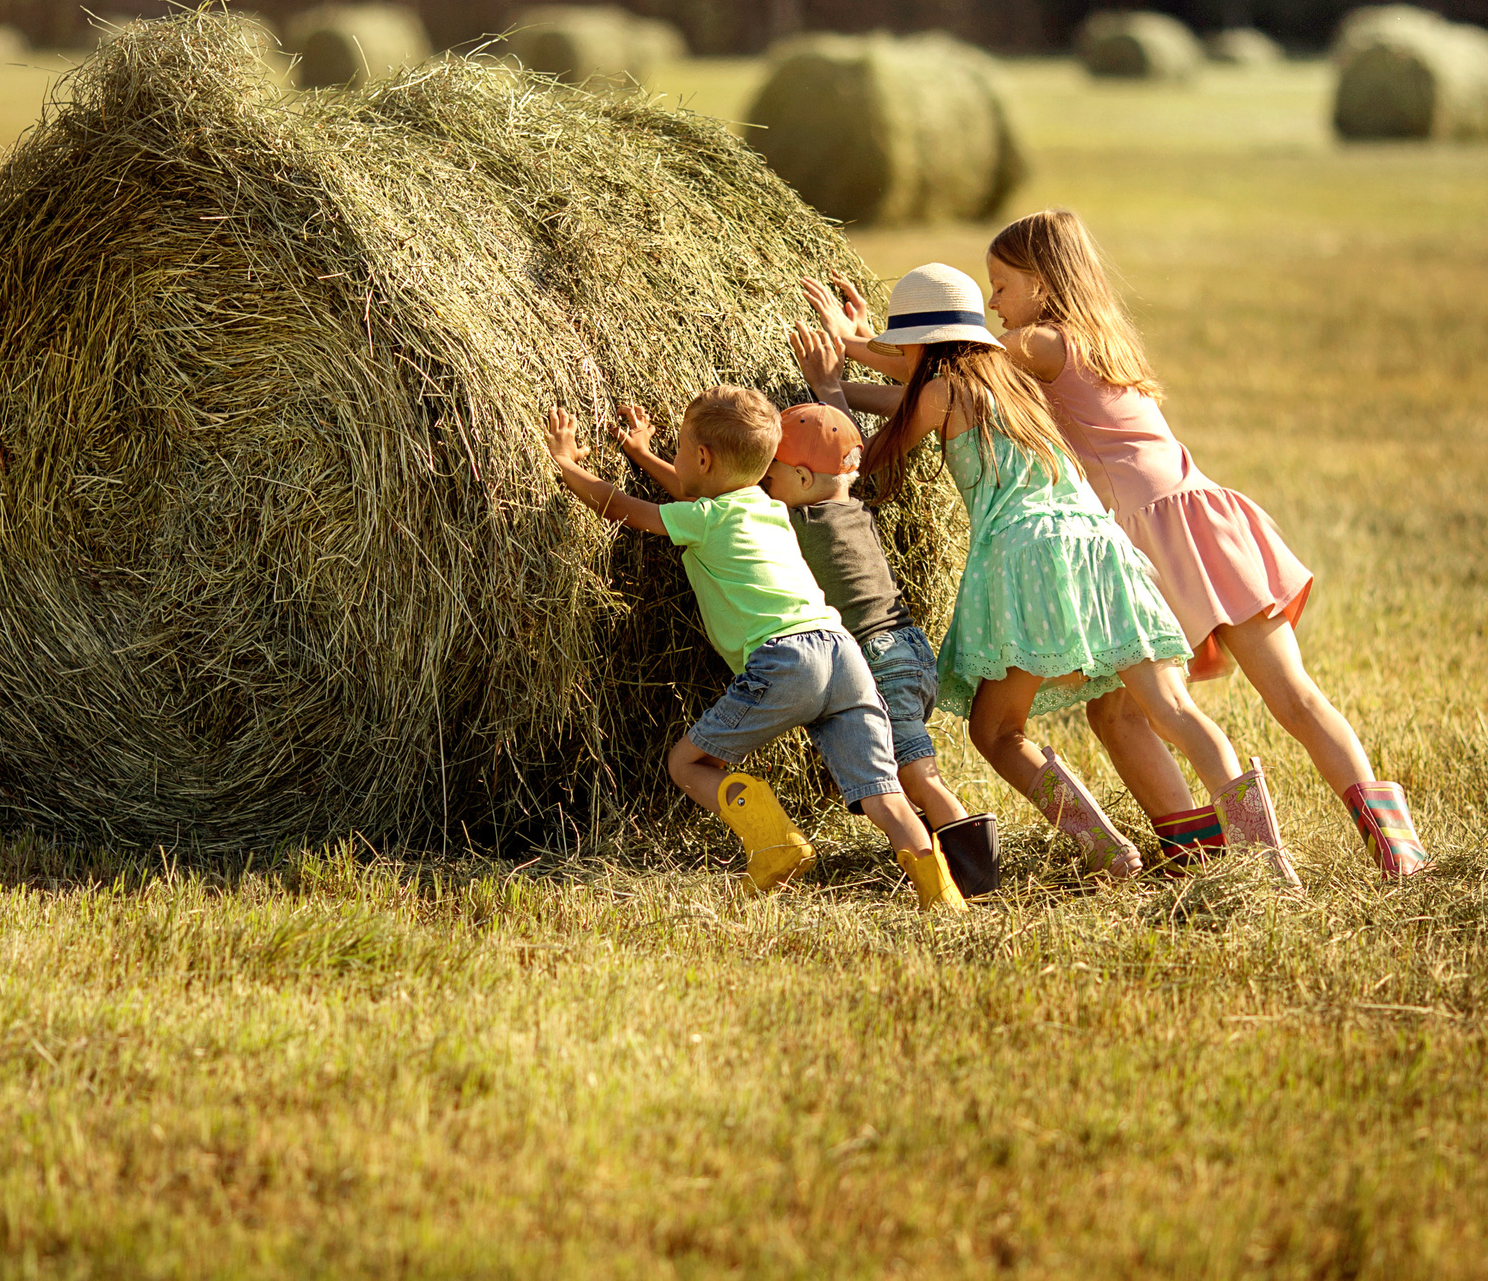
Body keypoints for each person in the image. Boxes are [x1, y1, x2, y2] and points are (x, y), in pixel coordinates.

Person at [796, 265, 1300, 888]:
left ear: (922, 343)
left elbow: (862, 460)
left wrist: (826, 386)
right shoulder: (1013, 380)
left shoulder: (939, 392)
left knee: (996, 731)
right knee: (1174, 708)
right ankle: (1263, 862)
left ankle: (1107, 851)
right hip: (1103, 549)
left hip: (1027, 554)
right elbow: (910, 394)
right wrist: (860, 352)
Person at [542, 384, 968, 909]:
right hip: (843, 652)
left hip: (787, 660)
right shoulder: (766, 506)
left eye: (679, 448)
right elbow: (693, 490)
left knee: (687, 764)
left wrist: (566, 465)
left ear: (701, 456)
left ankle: (774, 844)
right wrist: (643, 452)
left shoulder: (708, 518)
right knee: (883, 792)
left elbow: (631, 511)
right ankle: (942, 894)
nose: (678, 459)